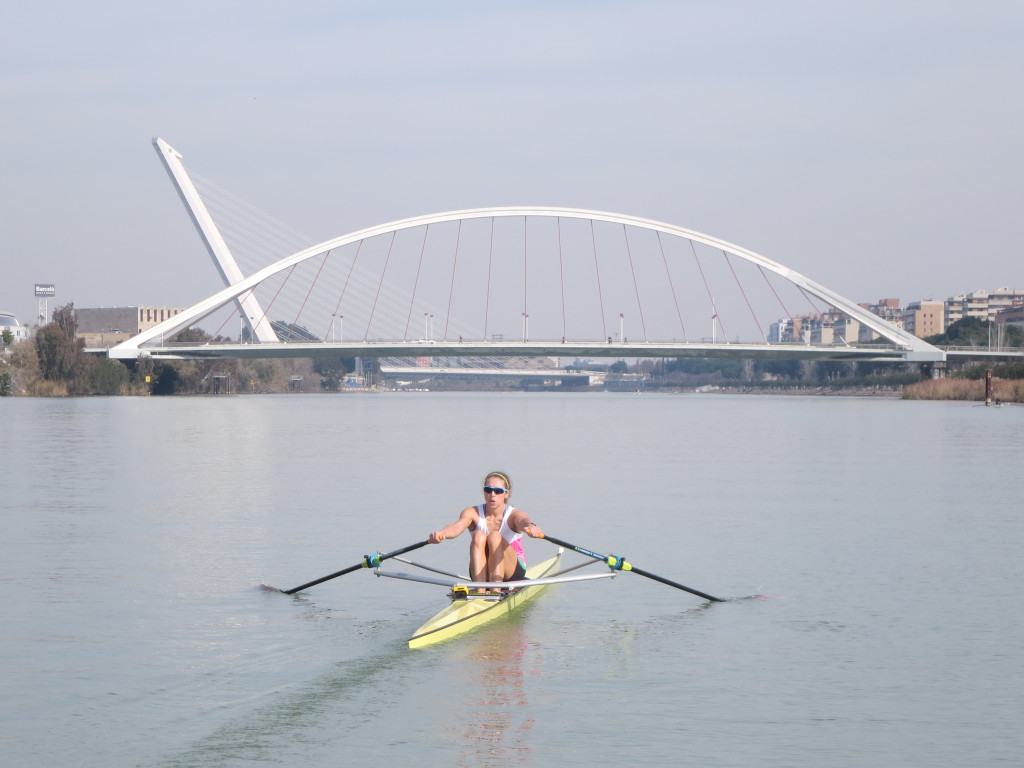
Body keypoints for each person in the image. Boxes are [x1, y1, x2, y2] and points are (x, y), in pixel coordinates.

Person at [427, 471, 543, 584]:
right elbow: (456, 527)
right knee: (479, 535)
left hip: (512, 573)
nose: (492, 494)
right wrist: (442, 533)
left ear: (506, 493)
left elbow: (524, 521)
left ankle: (495, 590)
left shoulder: (514, 515)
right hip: (482, 572)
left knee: (494, 536)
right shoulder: (472, 512)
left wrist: (531, 527)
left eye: (498, 491)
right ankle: (480, 591)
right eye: (488, 490)